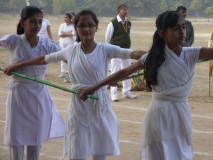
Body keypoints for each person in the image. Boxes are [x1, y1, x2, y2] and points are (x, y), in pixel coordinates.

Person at [77, 10, 213, 160]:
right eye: (176, 28)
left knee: (181, 154)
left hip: (181, 114)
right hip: (159, 116)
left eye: (183, 27)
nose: (182, 32)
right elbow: (123, 72)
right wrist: (94, 87)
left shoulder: (191, 54)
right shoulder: (152, 58)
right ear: (163, 33)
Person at [4, 9, 146, 160]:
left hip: (100, 107)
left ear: (96, 27)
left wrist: (154, 55)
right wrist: (17, 65)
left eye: (90, 25)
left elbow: (133, 54)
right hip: (78, 108)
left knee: (100, 150)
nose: (86, 29)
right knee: (77, 150)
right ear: (75, 28)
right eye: (82, 25)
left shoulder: (106, 49)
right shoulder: (70, 51)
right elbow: (43, 59)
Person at [0, 6, 65, 160]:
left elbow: (68, 56)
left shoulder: (47, 44)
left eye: (40, 22)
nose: (37, 26)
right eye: (32, 22)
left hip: (38, 95)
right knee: (15, 138)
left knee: (35, 138)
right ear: (22, 23)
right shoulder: (13, 40)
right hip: (18, 95)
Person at [105, 3, 137, 101]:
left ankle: (126, 91)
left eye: (127, 9)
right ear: (119, 11)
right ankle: (114, 94)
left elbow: (128, 35)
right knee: (115, 71)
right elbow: (107, 38)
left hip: (126, 50)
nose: (125, 11)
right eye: (123, 9)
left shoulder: (129, 23)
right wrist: (110, 50)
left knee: (127, 70)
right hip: (115, 50)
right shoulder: (113, 22)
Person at [57, 12, 76, 83]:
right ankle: (63, 72)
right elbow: (59, 34)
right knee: (62, 57)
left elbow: (73, 33)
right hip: (62, 43)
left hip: (70, 43)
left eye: (66, 17)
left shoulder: (73, 25)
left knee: (69, 59)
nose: (65, 19)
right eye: (64, 17)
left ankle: (71, 75)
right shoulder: (62, 25)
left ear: (70, 18)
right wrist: (68, 33)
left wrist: (64, 33)